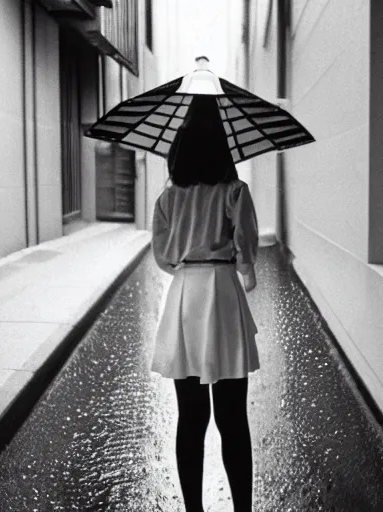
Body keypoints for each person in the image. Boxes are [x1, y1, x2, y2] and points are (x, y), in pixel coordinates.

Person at [150, 96, 260, 512]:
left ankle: (193, 510)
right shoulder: (235, 191)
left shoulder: (169, 198)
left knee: (190, 417)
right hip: (223, 289)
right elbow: (247, 249)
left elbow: (163, 256)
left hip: (184, 295)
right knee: (233, 417)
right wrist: (244, 269)